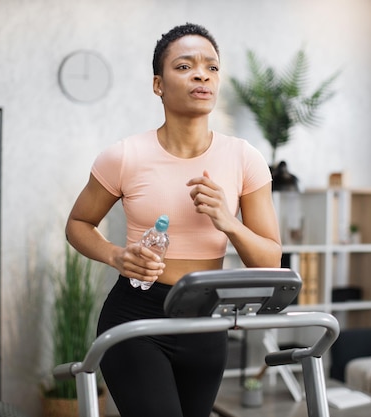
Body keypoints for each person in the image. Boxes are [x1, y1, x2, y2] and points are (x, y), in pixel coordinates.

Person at [65, 23, 281, 417]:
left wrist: (229, 223)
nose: (202, 74)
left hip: (206, 322)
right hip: (136, 314)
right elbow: (77, 224)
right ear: (158, 84)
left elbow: (269, 262)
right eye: (185, 66)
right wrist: (116, 255)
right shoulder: (124, 155)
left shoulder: (244, 158)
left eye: (212, 67)